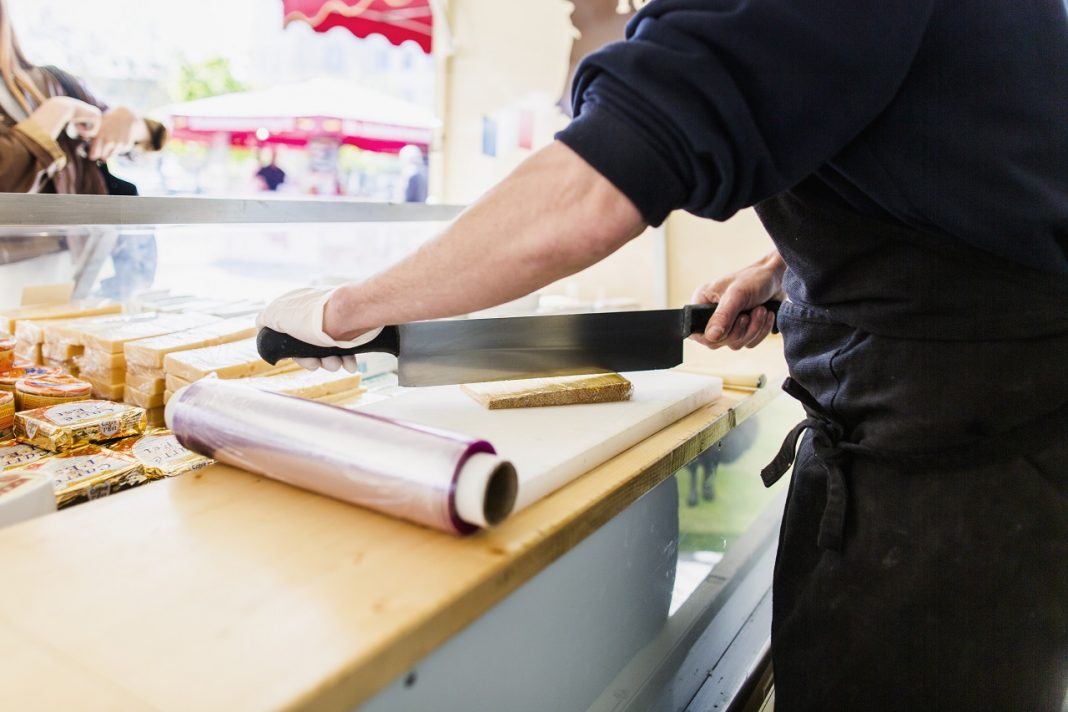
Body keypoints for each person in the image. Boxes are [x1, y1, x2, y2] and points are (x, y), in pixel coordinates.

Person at [259, 2, 1068, 709]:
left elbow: (589, 193)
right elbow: (948, 163)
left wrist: (347, 312)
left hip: (941, 485)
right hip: (1002, 449)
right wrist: (788, 271)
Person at [0, 0, 166, 304]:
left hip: (72, 274)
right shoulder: (58, 98)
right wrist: (55, 114)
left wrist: (128, 120)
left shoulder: (53, 82)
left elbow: (145, 140)